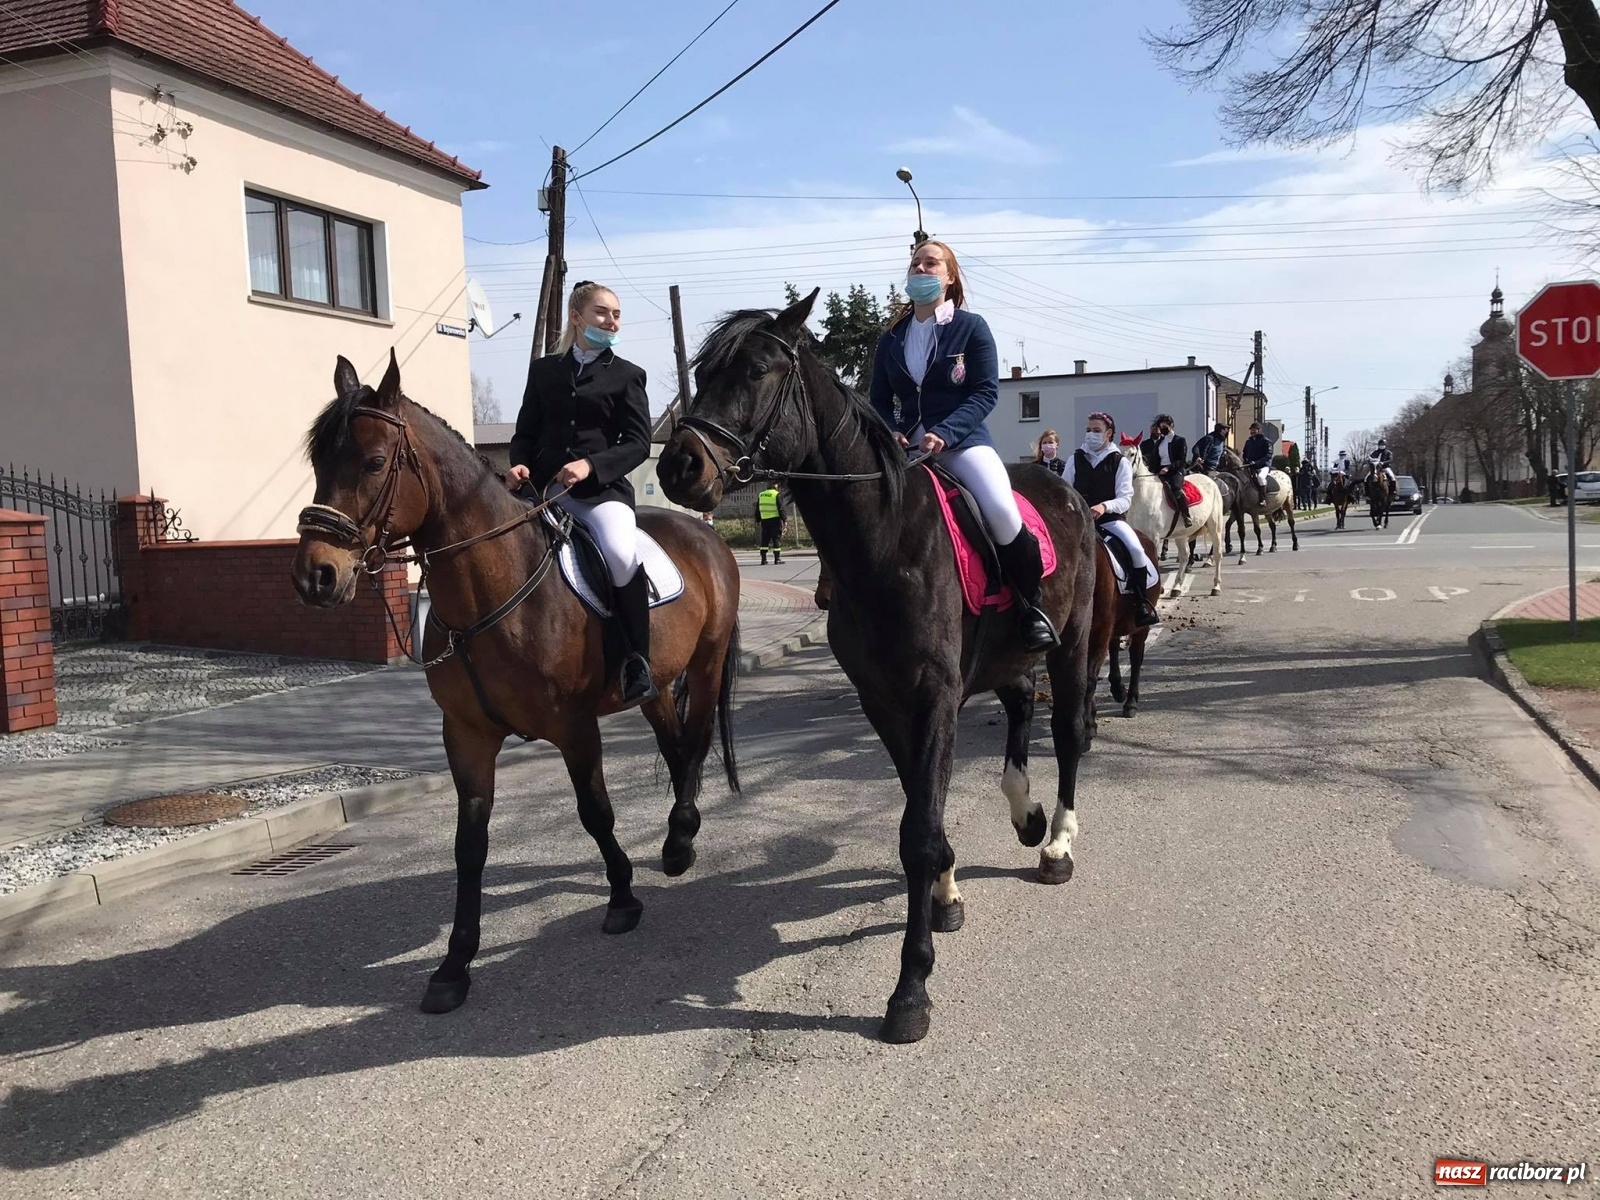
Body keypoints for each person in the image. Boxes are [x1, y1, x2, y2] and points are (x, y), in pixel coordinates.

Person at [870, 239, 1057, 650]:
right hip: (907, 446)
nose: (920, 270)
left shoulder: (971, 328)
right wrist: (892, 430)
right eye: (915, 264)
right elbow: (880, 401)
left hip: (962, 442)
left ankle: (1032, 607)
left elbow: (985, 392)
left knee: (1001, 510)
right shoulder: (892, 339)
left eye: (931, 263)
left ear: (949, 276)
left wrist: (947, 432)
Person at [508, 280, 656, 707]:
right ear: (576, 318)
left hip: (601, 494)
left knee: (619, 553)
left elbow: (637, 443)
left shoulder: (627, 375)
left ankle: (636, 661)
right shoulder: (543, 371)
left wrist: (592, 465)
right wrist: (520, 462)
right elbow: (526, 431)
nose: (611, 321)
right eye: (602, 313)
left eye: (616, 314)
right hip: (543, 490)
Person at [1061, 412, 1159, 628]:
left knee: (1136, 550)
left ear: (1109, 434)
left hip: (1110, 521)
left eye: (1096, 431)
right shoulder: (1075, 459)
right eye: (1088, 430)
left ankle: (1142, 603)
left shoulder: (1119, 462)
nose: (1091, 435)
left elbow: (1125, 498)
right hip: (1078, 522)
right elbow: (1065, 489)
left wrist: (1105, 506)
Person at [1140, 413, 1190, 526]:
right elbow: (1155, 460)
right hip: (1161, 471)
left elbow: (1182, 460)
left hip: (1175, 471)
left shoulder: (1180, 440)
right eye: (1160, 427)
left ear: (1171, 425)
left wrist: (1169, 468)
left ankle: (1186, 515)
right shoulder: (1159, 443)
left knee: (1176, 489)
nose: (1162, 429)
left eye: (1164, 426)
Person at [756, 483, 784, 565]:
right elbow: (781, 508)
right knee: (776, 539)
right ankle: (777, 558)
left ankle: (763, 559)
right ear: (775, 486)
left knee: (765, 540)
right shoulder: (776, 494)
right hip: (775, 520)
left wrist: (757, 520)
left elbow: (758, 509)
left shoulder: (761, 495)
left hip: (764, 520)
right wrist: (784, 519)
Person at [1242, 422, 1274, 491]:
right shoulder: (1249, 442)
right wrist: (1246, 461)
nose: (1252, 431)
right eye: (1251, 430)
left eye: (1254, 430)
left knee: (1260, 477)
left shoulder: (1266, 441)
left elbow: (1268, 455)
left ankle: (1263, 498)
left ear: (1259, 430)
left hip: (1263, 466)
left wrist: (1257, 462)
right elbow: (1244, 453)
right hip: (1251, 466)